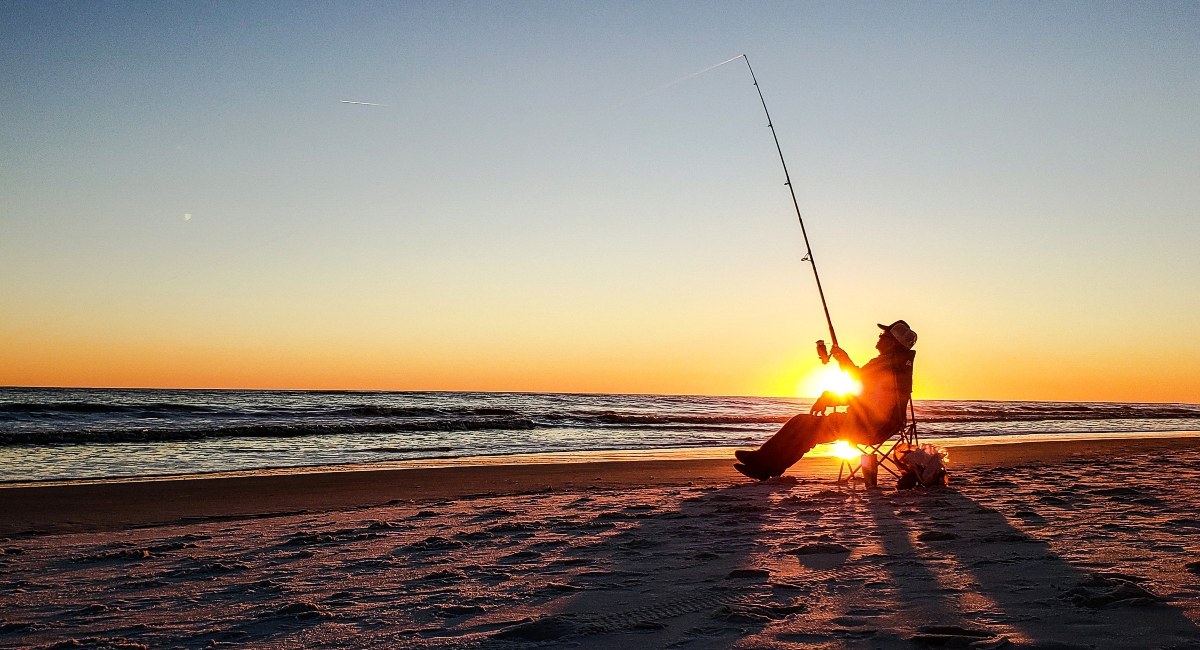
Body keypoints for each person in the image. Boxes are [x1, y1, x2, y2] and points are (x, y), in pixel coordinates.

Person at [734, 320, 918, 481]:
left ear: (893, 343)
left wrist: (832, 394)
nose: (879, 337)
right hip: (879, 425)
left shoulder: (885, 364)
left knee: (805, 426)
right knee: (804, 425)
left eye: (883, 335)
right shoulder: (897, 367)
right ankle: (765, 464)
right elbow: (868, 395)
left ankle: (764, 465)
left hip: (866, 426)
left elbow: (860, 382)